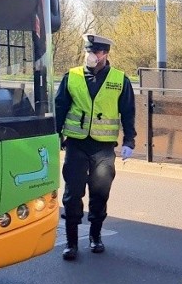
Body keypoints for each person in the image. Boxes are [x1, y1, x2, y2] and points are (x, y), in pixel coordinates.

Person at [55, 33, 136, 261]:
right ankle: (71, 243)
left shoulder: (120, 80)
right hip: (76, 143)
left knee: (100, 192)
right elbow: (60, 106)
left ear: (105, 54)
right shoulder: (72, 76)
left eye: (96, 52)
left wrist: (129, 140)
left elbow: (128, 112)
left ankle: (95, 236)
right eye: (89, 51)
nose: (92, 55)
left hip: (103, 147)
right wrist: (54, 134)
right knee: (72, 194)